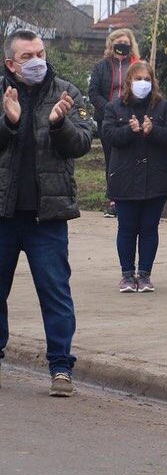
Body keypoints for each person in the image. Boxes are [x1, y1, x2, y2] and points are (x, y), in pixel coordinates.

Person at [1, 29, 93, 396]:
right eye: (27, 57)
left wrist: (59, 124)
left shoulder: (66, 92)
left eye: (40, 53)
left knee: (55, 292)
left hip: (47, 217)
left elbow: (82, 143)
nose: (37, 61)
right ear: (11, 63)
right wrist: (9, 122)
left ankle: (60, 368)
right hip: (4, 216)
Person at [101, 61, 167, 293]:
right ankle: (127, 274)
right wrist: (129, 130)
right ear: (128, 82)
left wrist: (152, 131)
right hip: (124, 178)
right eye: (138, 79)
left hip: (156, 178)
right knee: (126, 227)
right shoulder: (115, 107)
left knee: (149, 227)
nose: (142, 83)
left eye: (147, 79)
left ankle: (144, 274)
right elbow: (108, 134)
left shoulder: (163, 107)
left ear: (153, 82)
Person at [88, 28, 140, 218]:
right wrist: (110, 109)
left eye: (126, 43)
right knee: (113, 160)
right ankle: (114, 200)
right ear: (111, 44)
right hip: (108, 121)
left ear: (131, 45)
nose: (122, 46)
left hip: (133, 119)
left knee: (134, 157)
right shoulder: (101, 67)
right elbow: (93, 92)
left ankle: (134, 196)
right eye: (118, 42)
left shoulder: (138, 66)